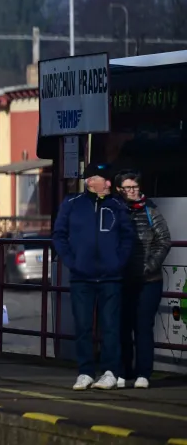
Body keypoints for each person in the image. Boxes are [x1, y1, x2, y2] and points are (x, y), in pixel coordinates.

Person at [52, 163, 134, 390]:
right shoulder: (71, 204)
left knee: (110, 327)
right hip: (82, 277)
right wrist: (72, 262)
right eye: (103, 179)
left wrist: (118, 262)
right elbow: (59, 235)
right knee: (83, 327)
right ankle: (85, 372)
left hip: (111, 277)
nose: (109, 183)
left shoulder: (117, 205)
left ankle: (110, 372)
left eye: (109, 179)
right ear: (90, 181)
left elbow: (128, 237)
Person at [114, 170, 171, 389]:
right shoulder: (117, 211)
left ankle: (143, 373)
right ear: (120, 190)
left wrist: (149, 266)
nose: (131, 192)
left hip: (149, 279)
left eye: (135, 187)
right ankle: (123, 371)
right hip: (123, 278)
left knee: (143, 327)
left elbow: (164, 240)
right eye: (127, 188)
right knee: (122, 325)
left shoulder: (151, 210)